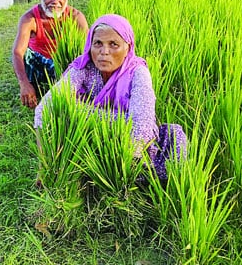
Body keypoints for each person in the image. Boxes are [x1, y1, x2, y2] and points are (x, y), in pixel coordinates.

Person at [34, 14, 187, 180]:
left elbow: (142, 126)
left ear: (127, 47)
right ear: (89, 45)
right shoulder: (82, 68)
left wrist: (77, 110)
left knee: (174, 151)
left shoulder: (137, 72)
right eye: (98, 43)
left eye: (113, 44)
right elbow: (46, 107)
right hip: (91, 140)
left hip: (133, 148)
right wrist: (45, 166)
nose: (104, 52)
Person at [12, 0, 88, 108]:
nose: (55, 1)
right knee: (25, 55)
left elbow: (88, 51)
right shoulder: (30, 19)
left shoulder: (76, 17)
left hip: (65, 67)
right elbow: (17, 52)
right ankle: (35, 87)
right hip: (39, 67)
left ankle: (68, 88)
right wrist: (24, 84)